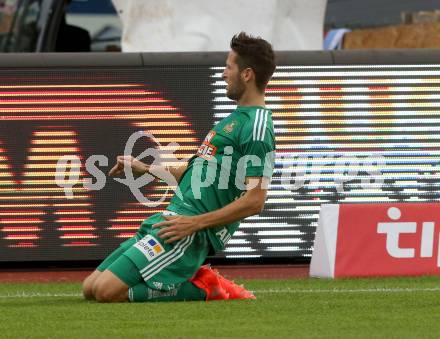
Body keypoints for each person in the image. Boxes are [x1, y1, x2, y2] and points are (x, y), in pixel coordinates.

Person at [82, 32, 276, 302]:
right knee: (90, 288)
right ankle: (200, 281)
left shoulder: (257, 128)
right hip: (170, 219)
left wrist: (194, 224)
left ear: (247, 75)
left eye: (228, 67)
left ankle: (208, 287)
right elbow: (198, 174)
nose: (223, 74)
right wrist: (146, 169)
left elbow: (255, 201)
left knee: (106, 293)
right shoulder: (233, 120)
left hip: (189, 231)